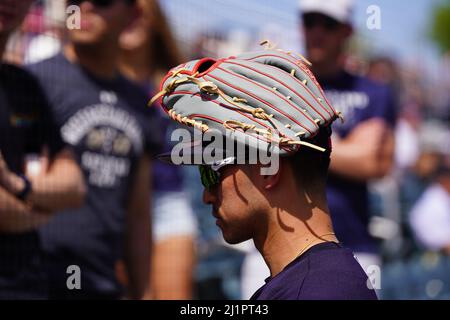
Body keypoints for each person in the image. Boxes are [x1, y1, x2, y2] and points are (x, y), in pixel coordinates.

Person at [150, 46, 377, 299]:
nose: (207, 196)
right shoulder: (314, 283)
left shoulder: (321, 292)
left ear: (269, 168)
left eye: (211, 171)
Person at [28, 0, 161, 299]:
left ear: (133, 13)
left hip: (100, 285)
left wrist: (145, 292)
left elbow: (138, 214)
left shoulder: (141, 105)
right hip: (33, 281)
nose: (83, 9)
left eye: (101, 1)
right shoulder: (32, 82)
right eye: (74, 1)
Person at [299, 0, 397, 275]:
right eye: (310, 21)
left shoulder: (374, 92)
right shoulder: (283, 84)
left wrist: (298, 138)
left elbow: (373, 163)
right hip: (281, 247)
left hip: (353, 247)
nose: (318, 31)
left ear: (347, 31)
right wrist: (343, 146)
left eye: (328, 24)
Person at [0, 0, 85, 299]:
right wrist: (38, 211)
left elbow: (74, 185)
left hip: (28, 284)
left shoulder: (24, 85)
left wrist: (15, 184)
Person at [118, 0, 197, 299]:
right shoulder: (99, 81)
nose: (131, 17)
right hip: (116, 207)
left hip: (169, 204)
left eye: (139, 10)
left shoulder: (177, 84)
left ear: (154, 19)